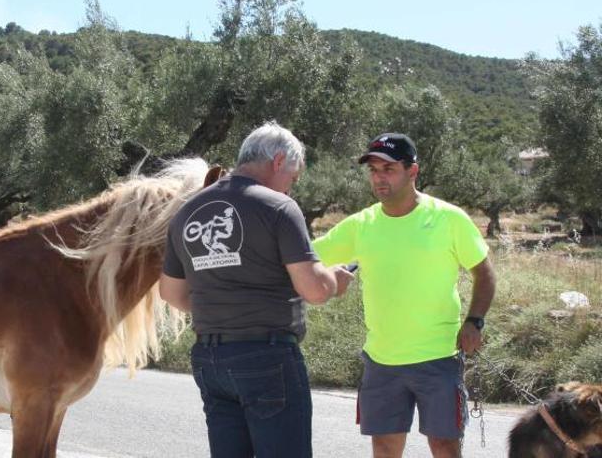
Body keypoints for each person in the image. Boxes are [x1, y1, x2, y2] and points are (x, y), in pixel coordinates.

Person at [159, 121, 355, 458]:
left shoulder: (187, 212)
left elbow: (171, 294)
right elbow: (315, 290)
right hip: (268, 358)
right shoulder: (278, 208)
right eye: (292, 178)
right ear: (278, 162)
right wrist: (334, 281)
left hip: (210, 360)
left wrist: (224, 302)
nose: (290, 189)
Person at [312, 133, 496, 458]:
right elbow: (306, 256)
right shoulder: (360, 225)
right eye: (373, 170)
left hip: (438, 358)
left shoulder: (448, 218)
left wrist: (475, 321)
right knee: (384, 449)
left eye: (389, 168)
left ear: (413, 172)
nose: (379, 178)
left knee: (445, 448)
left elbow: (484, 272)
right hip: (381, 362)